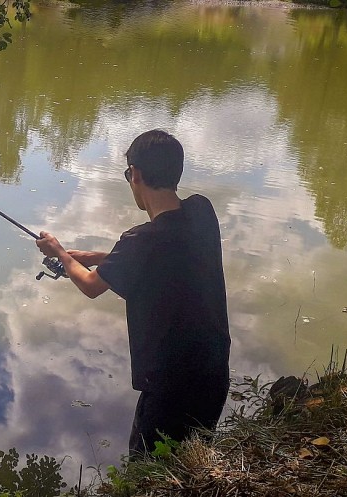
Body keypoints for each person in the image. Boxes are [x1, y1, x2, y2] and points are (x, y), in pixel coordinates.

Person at [35, 129, 231, 456]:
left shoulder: (140, 240)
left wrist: (61, 253)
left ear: (136, 174)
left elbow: (91, 286)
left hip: (169, 388)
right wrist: (94, 257)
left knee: (146, 473)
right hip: (213, 373)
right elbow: (163, 259)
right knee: (191, 461)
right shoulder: (201, 212)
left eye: (128, 174)